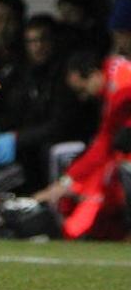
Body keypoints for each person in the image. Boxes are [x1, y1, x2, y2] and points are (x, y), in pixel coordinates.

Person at [34, 52, 131, 239]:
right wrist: (67, 182)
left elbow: (104, 146)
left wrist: (64, 184)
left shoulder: (120, 86)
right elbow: (103, 145)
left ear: (94, 74)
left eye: (83, 89)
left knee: (121, 168)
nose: (83, 97)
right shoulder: (117, 76)